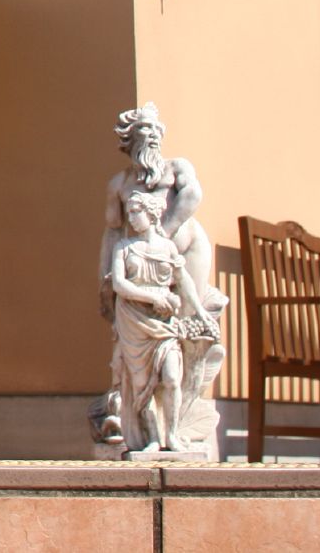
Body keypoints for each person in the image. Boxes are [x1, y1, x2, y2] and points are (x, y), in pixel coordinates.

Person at [108, 189, 222, 453]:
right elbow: (119, 284)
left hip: (164, 321)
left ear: (151, 214)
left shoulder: (168, 248)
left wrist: (201, 312)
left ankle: (172, 436)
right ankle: (152, 438)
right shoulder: (124, 248)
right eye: (130, 213)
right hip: (135, 322)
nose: (132, 218)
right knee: (141, 385)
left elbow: (183, 282)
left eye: (137, 213)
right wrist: (151, 297)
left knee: (172, 377)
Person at [99, 104, 225, 321]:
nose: (154, 134)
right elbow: (113, 230)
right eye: (147, 129)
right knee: (146, 320)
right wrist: (104, 275)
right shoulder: (119, 184)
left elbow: (192, 195)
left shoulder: (176, 168)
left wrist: (164, 235)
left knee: (186, 319)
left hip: (187, 251)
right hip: (144, 261)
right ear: (131, 137)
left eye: (157, 129)